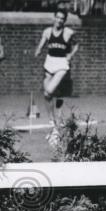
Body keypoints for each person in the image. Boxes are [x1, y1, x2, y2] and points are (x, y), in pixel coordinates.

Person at [33, 7, 78, 136]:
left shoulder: (68, 32)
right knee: (47, 95)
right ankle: (52, 119)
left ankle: (58, 116)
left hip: (62, 63)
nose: (59, 20)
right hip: (49, 62)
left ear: (64, 21)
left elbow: (76, 45)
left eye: (62, 19)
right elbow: (42, 43)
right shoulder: (47, 31)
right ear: (54, 18)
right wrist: (38, 50)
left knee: (50, 90)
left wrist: (70, 55)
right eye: (57, 17)